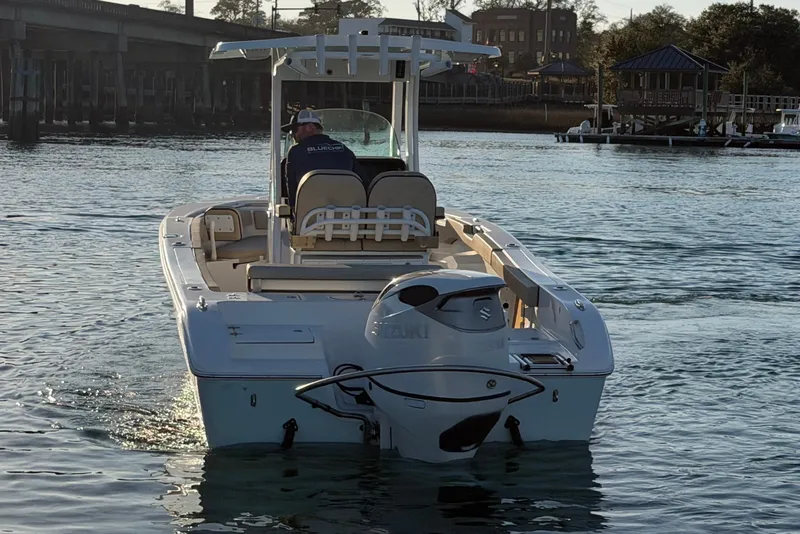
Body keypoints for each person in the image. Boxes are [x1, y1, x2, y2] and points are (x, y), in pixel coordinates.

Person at [282, 109, 363, 213]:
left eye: (294, 130)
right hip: (347, 216)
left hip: (309, 217)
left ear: (310, 127)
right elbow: (362, 184)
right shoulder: (345, 150)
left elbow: (292, 193)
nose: (293, 135)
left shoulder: (295, 151)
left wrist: (293, 214)